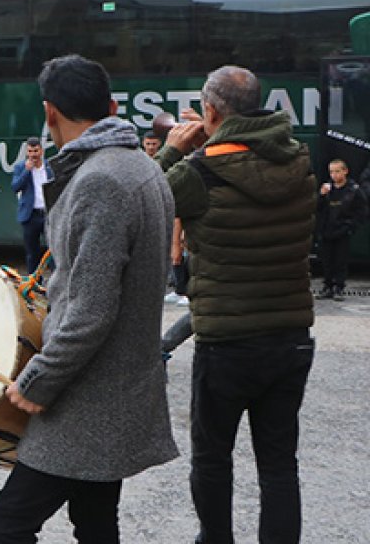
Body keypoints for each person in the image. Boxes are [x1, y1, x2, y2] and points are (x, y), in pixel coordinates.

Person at [0, 55, 177, 543]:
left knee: (9, 522)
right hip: (117, 387)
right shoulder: (140, 166)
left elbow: (90, 309)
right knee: (95, 522)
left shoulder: (100, 181)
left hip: (87, 395)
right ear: (110, 105)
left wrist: (37, 380)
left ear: (50, 112)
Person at [157, 65, 317, 544]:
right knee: (278, 463)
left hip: (226, 343)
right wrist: (209, 139)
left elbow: (142, 198)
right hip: (290, 339)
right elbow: (248, 156)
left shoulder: (200, 171)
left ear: (210, 110)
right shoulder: (300, 160)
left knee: (212, 457)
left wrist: (175, 149)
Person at [316, 158, 366, 301]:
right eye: (331, 172)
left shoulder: (353, 190)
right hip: (326, 230)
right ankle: (327, 287)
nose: (334, 175)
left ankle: (339, 287)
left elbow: (361, 212)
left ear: (345, 171)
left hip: (342, 231)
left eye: (337, 171)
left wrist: (350, 226)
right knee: (326, 261)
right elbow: (317, 208)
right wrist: (321, 195)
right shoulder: (327, 188)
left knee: (340, 261)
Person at [11, 136, 52, 275]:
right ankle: (34, 285)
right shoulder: (21, 167)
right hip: (30, 216)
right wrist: (27, 171)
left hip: (48, 215)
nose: (33, 154)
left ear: (41, 151)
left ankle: (55, 283)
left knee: (52, 252)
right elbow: (15, 187)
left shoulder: (49, 167)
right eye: (30, 151)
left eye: (35, 151)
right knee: (32, 254)